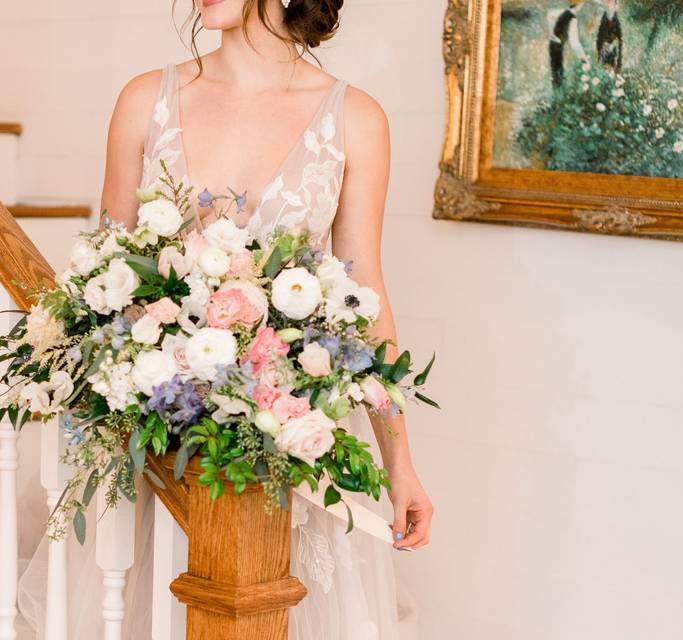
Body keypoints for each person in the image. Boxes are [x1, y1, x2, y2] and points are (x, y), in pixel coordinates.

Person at [93, 0, 435, 637]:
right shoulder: (146, 100)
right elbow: (106, 283)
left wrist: (400, 463)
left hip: (285, 446)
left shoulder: (355, 119)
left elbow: (367, 299)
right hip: (166, 442)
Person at [548, 1, 590, 87]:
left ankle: (557, 92)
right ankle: (558, 95)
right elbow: (574, 42)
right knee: (558, 74)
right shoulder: (573, 19)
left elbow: (550, 14)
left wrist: (552, 33)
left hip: (553, 45)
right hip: (557, 47)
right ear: (580, 4)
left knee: (556, 72)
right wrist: (583, 57)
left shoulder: (564, 12)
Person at [596, 0, 623, 72]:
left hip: (613, 53)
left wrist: (619, 62)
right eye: (606, 2)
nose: (607, 4)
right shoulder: (604, 17)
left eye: (610, 2)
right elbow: (599, 37)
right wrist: (599, 52)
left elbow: (621, 41)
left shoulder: (618, 19)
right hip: (603, 52)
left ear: (615, 4)